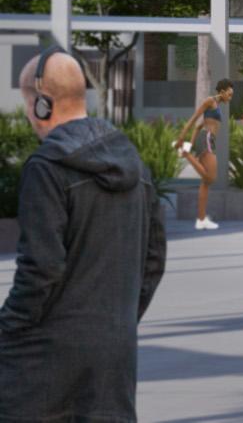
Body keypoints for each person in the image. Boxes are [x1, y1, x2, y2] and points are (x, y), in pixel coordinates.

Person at [2, 46, 165, 423]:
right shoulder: (137, 167)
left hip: (42, 360)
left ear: (42, 103)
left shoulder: (47, 167)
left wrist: (10, 327)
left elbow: (41, 267)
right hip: (114, 358)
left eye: (28, 102)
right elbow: (154, 260)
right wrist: (118, 321)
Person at [176, 76, 235, 229]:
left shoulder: (216, 106)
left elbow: (197, 127)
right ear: (222, 92)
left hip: (207, 140)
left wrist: (191, 144)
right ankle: (185, 154)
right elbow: (193, 119)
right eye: (229, 94)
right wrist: (182, 139)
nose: (231, 96)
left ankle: (201, 219)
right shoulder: (210, 101)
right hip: (207, 139)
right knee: (211, 177)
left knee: (206, 182)